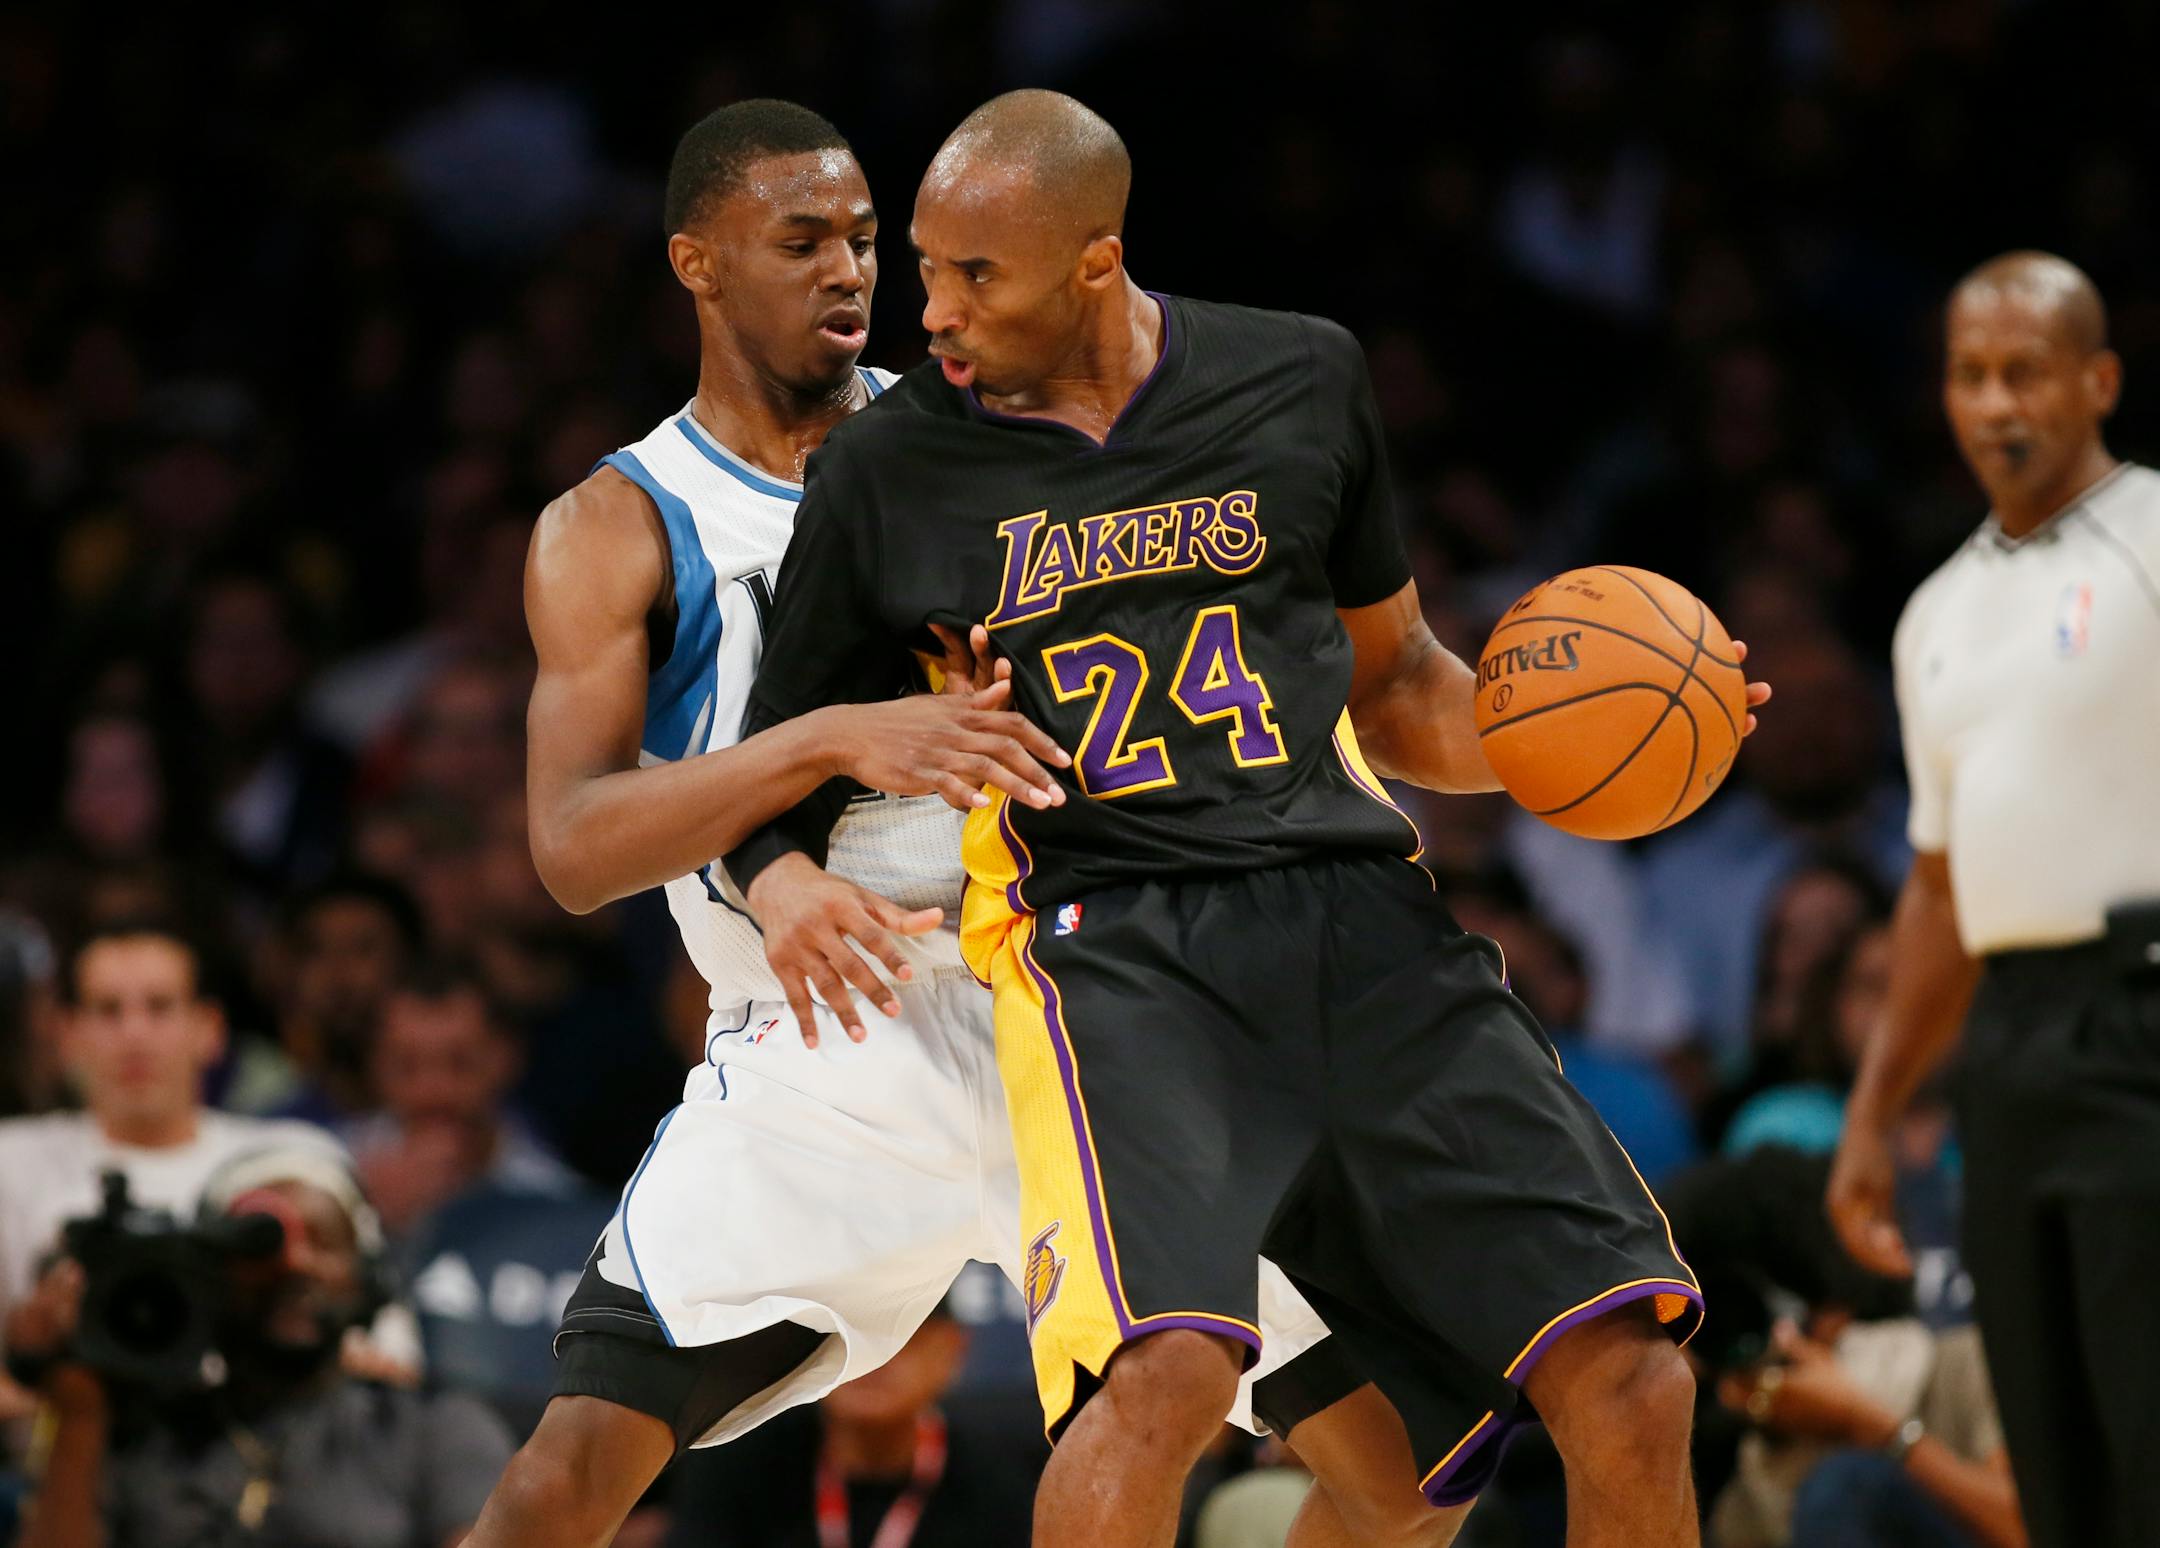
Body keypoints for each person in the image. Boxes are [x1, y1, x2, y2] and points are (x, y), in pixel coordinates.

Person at [728, 90, 1770, 1548]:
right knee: (1164, 1376)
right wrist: (782, 882)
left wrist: (1595, 741)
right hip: (1117, 946)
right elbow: (770, 771)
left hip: (1359, 916)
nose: (936, 312)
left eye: (979, 277)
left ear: (1097, 262)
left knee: (1625, 1388)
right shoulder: (889, 467)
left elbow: (1402, 685)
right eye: (925, 269)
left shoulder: (1300, 377)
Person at [465, 101, 1446, 1548]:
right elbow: (572, 846)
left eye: (865, 240)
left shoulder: (986, 430)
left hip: (1099, 988)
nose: (850, 272)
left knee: (1410, 1480)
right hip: (833, 1045)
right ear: (697, 262)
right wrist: (812, 779)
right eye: (802, 242)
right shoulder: (619, 523)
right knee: (564, 1480)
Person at [1827, 250, 2160, 1548]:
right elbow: (1941, 888)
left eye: (2026, 371)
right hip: (2010, 1052)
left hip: (2143, 1015)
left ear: (2099, 380)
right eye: (1969, 375)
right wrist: (1875, 1108)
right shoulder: (1935, 616)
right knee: (2058, 1470)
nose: (1996, 402)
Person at [12, 1143, 515, 1548]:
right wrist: (79, 1412)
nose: (293, 1264)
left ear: (367, 1278)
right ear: (206, 1280)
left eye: (320, 1242)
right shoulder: (143, 1433)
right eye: (260, 1245)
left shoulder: (433, 1429)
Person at [0, 921, 336, 1417]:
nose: (134, 1034)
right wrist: (34, 1354)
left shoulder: (293, 1163)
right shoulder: (9, 1161)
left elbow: (385, 1360)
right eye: (108, 1010)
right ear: (66, 1033)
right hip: (66, 1445)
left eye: (160, 1007)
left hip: (260, 1441)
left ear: (210, 1028)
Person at [661, 1299, 1042, 1546]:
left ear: (951, 1350)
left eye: (901, 1338)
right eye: (848, 1339)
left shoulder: (1005, 1474)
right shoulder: (735, 1459)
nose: (871, 1361)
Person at [343, 960, 582, 1238]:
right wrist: (361, 1211)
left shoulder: (554, 1201)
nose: (433, 1091)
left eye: (459, 1063)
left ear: (506, 1059)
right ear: (374, 1065)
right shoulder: (330, 1169)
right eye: (406, 1066)